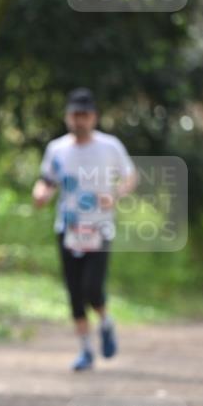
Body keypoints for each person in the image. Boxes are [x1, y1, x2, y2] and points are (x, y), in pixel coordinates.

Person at [32, 88, 136, 371]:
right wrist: (40, 194)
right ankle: (86, 350)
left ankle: (105, 322)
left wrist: (114, 195)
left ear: (94, 117)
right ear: (68, 117)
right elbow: (47, 180)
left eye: (84, 116)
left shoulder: (110, 146)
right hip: (67, 227)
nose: (79, 121)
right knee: (75, 291)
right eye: (74, 115)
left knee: (92, 287)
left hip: (99, 227)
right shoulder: (57, 149)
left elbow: (130, 177)